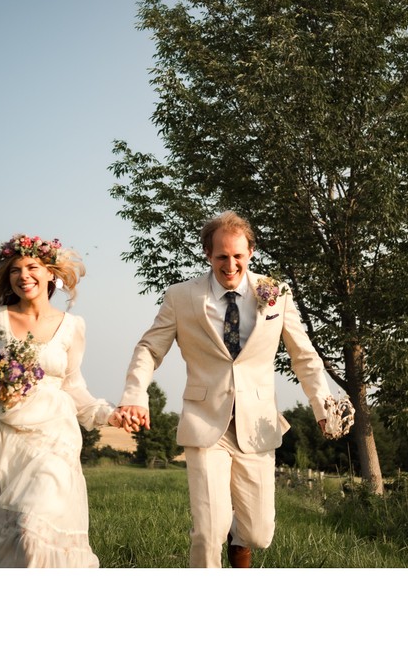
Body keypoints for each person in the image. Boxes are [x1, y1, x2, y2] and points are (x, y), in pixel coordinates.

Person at [116, 211, 331, 567]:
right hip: (205, 423)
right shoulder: (181, 297)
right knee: (206, 532)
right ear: (207, 254)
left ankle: (237, 536)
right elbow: (149, 349)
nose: (230, 265)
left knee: (259, 533)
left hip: (258, 423)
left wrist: (323, 407)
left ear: (250, 253)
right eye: (221, 256)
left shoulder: (276, 294)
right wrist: (135, 396)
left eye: (237, 256)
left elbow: (304, 356)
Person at [0, 234, 136, 568]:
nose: (23, 275)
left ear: (51, 273)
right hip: (2, 436)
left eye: (31, 267)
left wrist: (108, 415)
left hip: (53, 436)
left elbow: (73, 385)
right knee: (4, 528)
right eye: (14, 270)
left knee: (31, 522)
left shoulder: (73, 326)